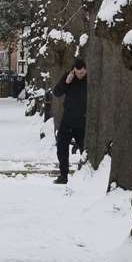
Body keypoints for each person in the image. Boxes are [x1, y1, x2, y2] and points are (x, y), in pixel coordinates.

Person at [51, 56, 88, 184]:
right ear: (74, 71)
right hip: (68, 119)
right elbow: (56, 92)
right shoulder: (69, 77)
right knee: (61, 147)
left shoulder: (90, 79)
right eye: (78, 73)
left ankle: (88, 175)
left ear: (86, 70)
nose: (80, 75)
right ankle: (63, 175)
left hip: (83, 121)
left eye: (83, 73)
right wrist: (66, 82)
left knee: (85, 149)